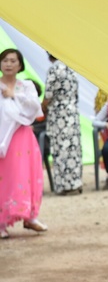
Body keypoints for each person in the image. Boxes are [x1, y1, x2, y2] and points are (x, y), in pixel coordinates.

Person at [0, 48, 48, 239]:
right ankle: (1, 221)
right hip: (2, 137)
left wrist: (14, 95)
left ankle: (30, 216)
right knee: (4, 176)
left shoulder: (26, 86)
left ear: (20, 65)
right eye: (5, 60)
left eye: (13, 61)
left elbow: (35, 108)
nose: (9, 64)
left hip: (22, 136)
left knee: (25, 174)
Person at [41, 53, 83, 195]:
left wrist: (43, 108)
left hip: (59, 114)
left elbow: (48, 96)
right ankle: (76, 183)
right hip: (72, 112)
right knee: (74, 149)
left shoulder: (54, 69)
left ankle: (63, 186)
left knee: (60, 149)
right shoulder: (72, 68)